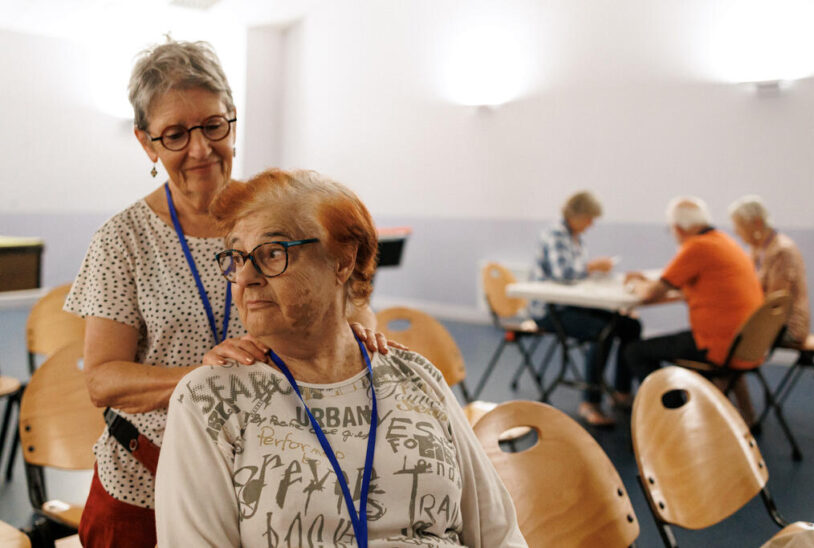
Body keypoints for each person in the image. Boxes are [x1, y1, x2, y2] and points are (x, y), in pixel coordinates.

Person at [64, 39, 386, 547]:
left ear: (233, 120)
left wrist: (364, 337)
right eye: (174, 134)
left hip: (272, 487)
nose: (200, 149)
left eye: (213, 126)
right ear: (147, 144)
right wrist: (204, 376)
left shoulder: (285, 215)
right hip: (144, 490)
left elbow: (355, 318)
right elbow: (103, 381)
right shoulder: (122, 240)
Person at [155, 168, 527, 547]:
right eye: (237, 256)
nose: (246, 275)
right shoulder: (210, 398)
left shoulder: (415, 377)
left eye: (272, 254)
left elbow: (500, 535)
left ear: (342, 262)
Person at [529, 190, 641, 427]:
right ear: (576, 214)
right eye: (589, 218)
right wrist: (593, 266)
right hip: (550, 310)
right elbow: (564, 273)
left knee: (629, 325)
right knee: (603, 331)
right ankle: (590, 402)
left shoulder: (576, 236)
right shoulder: (556, 235)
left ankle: (621, 391)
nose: (591, 225)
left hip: (573, 303)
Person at [624, 196, 764, 382]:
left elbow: (651, 293)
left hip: (718, 345)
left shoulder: (697, 247)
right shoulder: (725, 241)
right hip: (749, 342)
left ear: (678, 228)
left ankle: (670, 408)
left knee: (635, 351)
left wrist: (635, 285)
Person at [729, 195, 810, 345]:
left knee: (727, 335)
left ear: (757, 223)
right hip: (766, 321)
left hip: (788, 326)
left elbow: (776, 300)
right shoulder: (757, 248)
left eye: (739, 225)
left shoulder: (782, 250)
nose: (736, 232)